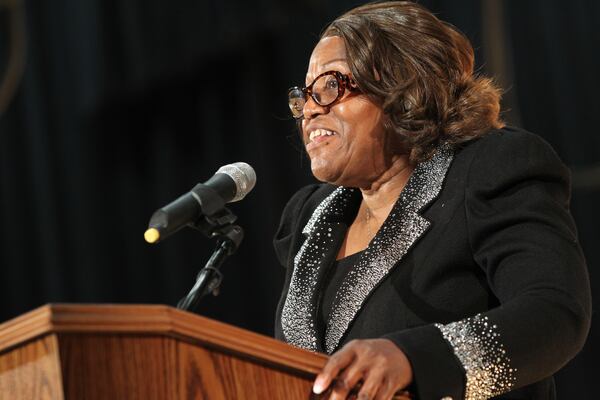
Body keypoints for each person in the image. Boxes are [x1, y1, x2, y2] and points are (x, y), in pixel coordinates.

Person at [273, 2, 591, 399]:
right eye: (304, 94)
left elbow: (554, 315)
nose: (310, 109)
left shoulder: (488, 168)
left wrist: (413, 360)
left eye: (331, 85)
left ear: (403, 88)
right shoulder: (310, 217)